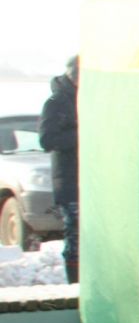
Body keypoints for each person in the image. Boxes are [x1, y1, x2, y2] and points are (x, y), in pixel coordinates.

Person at [38, 56, 79, 284]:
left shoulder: (88, 100)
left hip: (90, 183)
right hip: (69, 182)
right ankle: (74, 283)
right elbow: (47, 139)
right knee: (75, 236)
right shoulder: (55, 103)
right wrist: (82, 134)